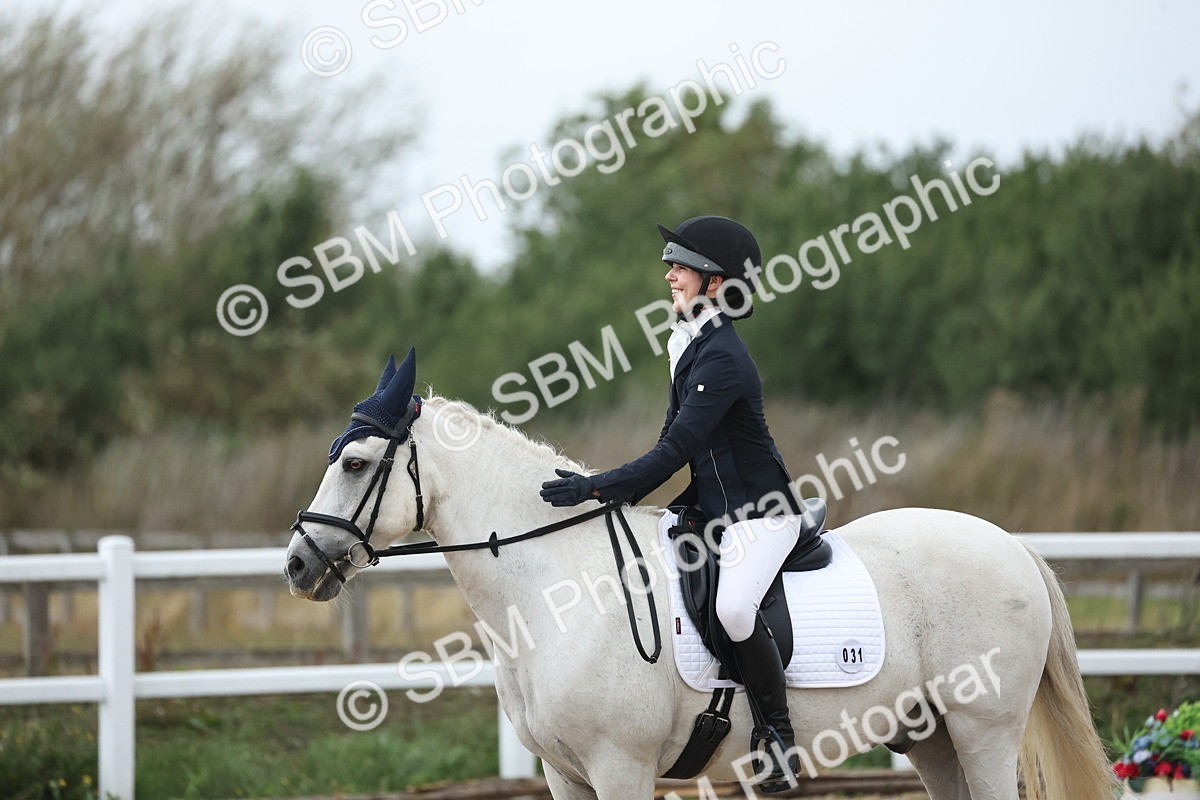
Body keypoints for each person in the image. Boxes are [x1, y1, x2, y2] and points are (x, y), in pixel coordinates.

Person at [539, 215, 817, 792]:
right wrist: (612, 502)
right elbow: (676, 447)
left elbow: (677, 449)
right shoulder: (689, 344)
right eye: (671, 264)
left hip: (762, 513)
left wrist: (595, 487)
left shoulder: (723, 358)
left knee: (737, 609)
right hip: (714, 509)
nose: (668, 274)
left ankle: (778, 737)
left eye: (681, 266)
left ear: (716, 284)